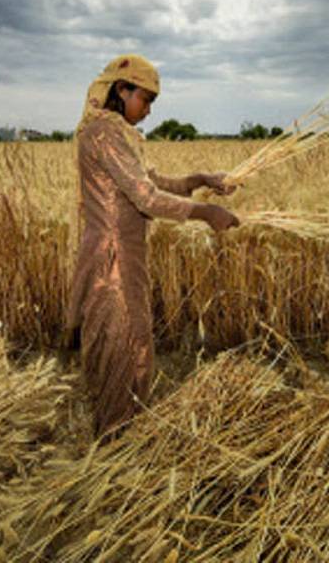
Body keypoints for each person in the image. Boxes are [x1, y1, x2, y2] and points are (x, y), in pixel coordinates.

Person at [66, 54, 239, 438]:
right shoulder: (103, 134)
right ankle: (114, 444)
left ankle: (122, 435)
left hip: (126, 257)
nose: (147, 111)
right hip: (112, 262)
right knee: (123, 349)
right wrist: (204, 212)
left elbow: (152, 181)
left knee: (133, 343)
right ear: (121, 90)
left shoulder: (115, 132)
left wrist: (198, 179)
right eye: (144, 99)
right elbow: (146, 197)